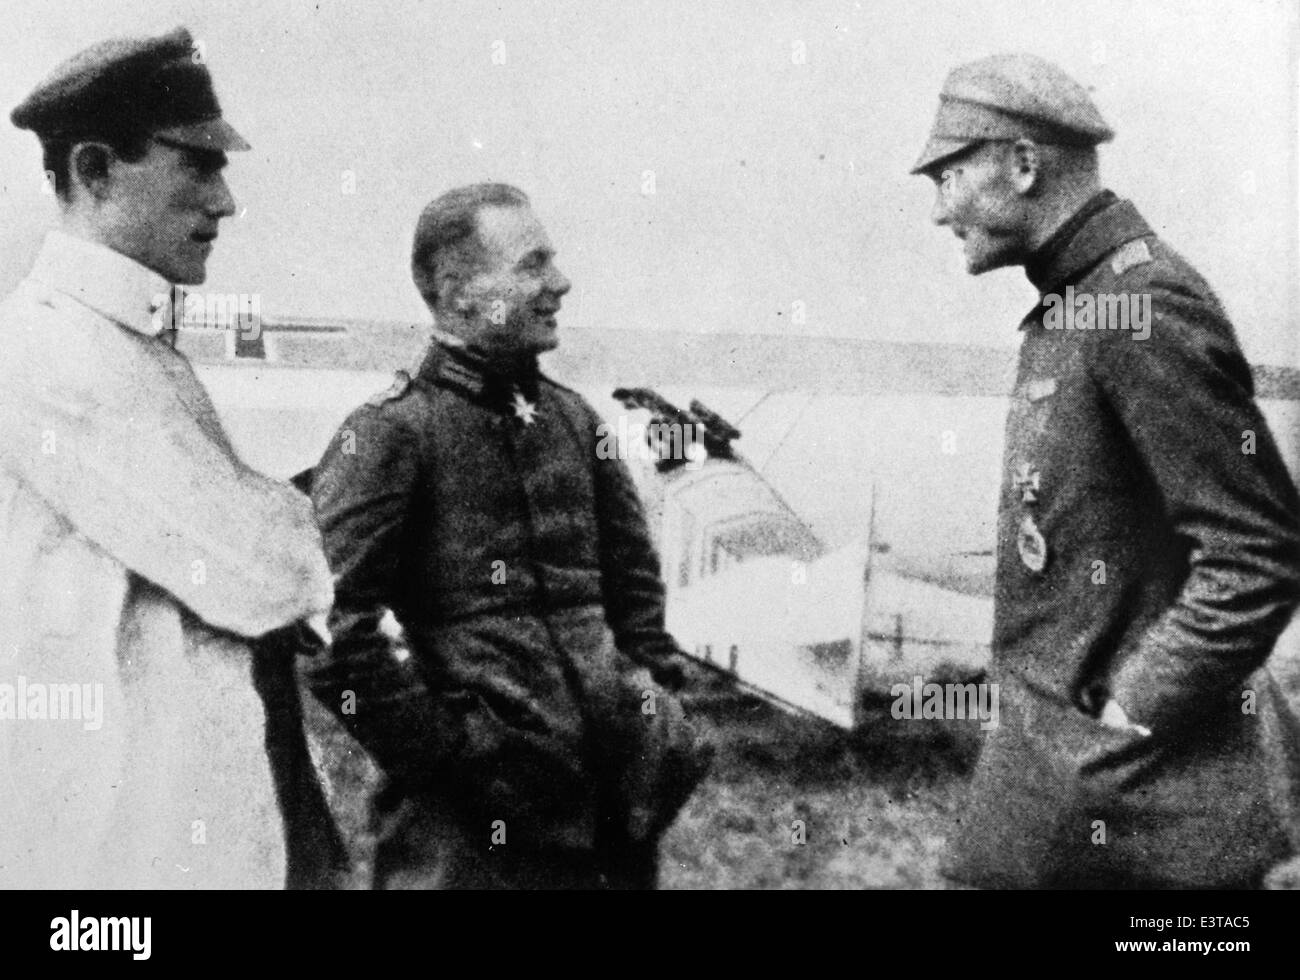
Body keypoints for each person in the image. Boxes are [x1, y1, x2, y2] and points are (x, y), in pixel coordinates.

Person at [911, 53, 1300, 889]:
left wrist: (1132, 712)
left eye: (949, 173)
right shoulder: (1074, 303)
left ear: (1022, 165)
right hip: (1057, 786)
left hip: (1136, 810)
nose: (939, 209)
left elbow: (1258, 549)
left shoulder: (1137, 301)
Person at [0, 27, 345, 888]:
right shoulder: (47, 350)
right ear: (93, 170)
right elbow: (256, 567)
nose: (225, 201)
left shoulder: (129, 344)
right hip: (119, 850)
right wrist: (370, 487)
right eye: (196, 165)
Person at [305, 183, 712, 889]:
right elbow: (329, 626)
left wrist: (654, 710)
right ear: (460, 289)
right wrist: (444, 757)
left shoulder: (574, 421)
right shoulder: (390, 433)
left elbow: (634, 588)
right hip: (468, 838)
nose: (560, 282)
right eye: (532, 265)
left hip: (613, 819)